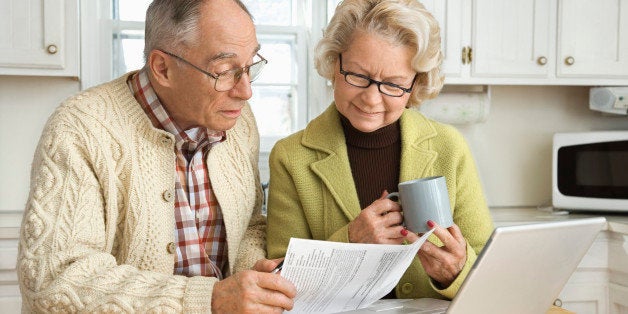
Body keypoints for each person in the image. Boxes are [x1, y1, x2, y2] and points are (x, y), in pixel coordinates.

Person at [17, 0, 296, 312]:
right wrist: (212, 299)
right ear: (162, 68)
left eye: (250, 65)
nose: (245, 91)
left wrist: (250, 274)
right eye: (225, 71)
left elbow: (249, 225)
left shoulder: (239, 121)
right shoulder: (81, 128)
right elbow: (55, 283)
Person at [266, 0, 494, 301]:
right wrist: (349, 243)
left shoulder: (449, 147)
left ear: (416, 84)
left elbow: (489, 272)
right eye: (359, 76)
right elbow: (280, 282)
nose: (372, 99)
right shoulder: (290, 157)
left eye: (393, 84)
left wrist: (456, 271)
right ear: (335, 63)